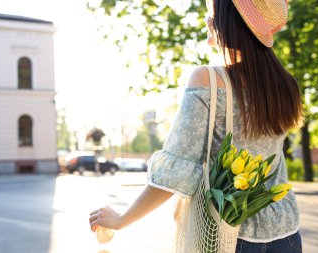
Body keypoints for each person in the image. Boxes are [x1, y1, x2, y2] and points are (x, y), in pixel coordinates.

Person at [89, 0, 304, 252]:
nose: (206, 20)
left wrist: (122, 219)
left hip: (229, 236)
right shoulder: (286, 87)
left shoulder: (209, 80)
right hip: (286, 234)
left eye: (211, 14)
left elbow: (177, 170)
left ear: (226, 22)